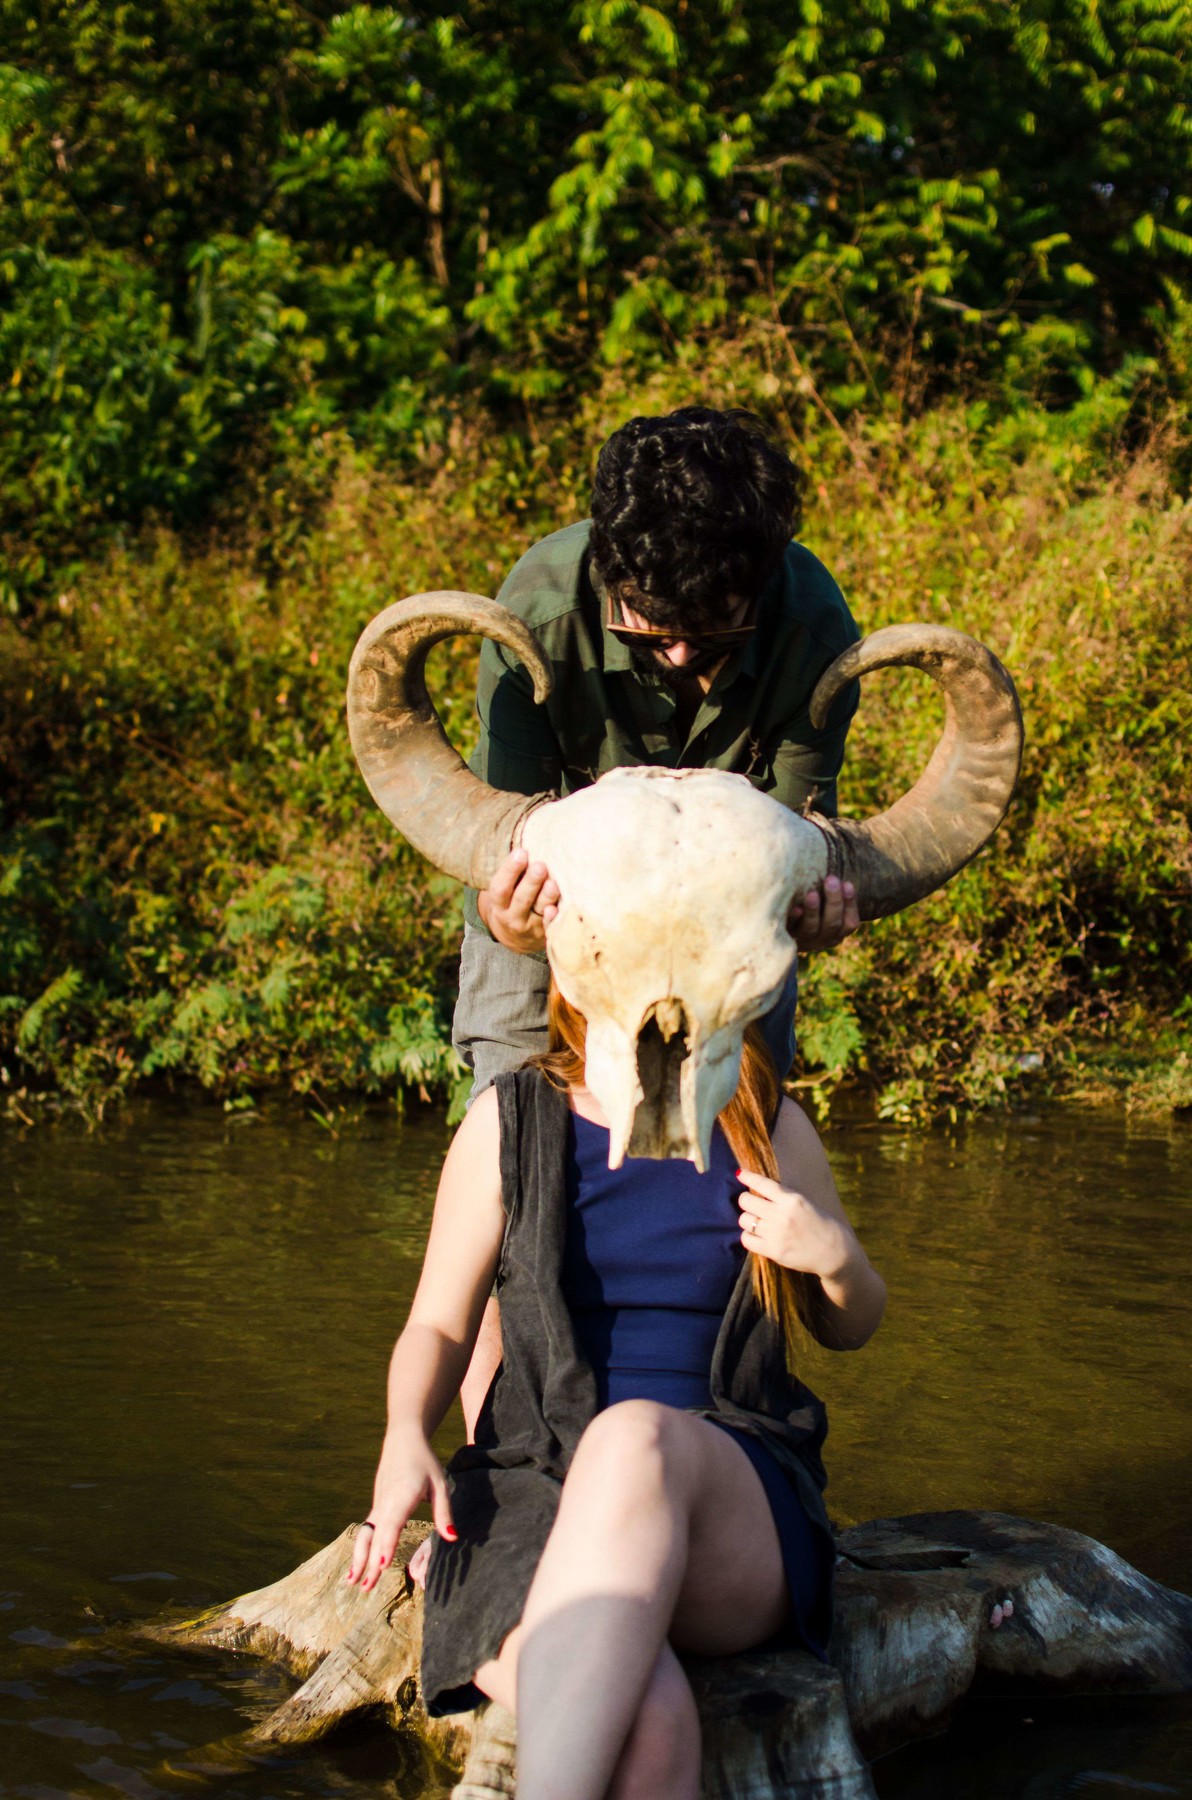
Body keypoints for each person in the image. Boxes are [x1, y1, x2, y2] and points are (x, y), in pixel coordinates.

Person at [346, 983, 887, 1800]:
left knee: (632, 1437)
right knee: (654, 1722)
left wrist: (834, 1257)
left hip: (725, 1496)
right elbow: (439, 1324)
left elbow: (854, 1326)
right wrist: (404, 1434)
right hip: (533, 1487)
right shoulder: (511, 1117)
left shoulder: (764, 1118)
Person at [452, 406, 864, 1430]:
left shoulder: (809, 620)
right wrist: (512, 930)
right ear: (605, 570)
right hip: (560, 901)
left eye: (714, 632)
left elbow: (797, 824)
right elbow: (507, 833)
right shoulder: (539, 606)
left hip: (721, 917)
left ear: (762, 585)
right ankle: (498, 1472)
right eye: (650, 624)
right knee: (517, 1168)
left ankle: (731, 1423)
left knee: (741, 1138)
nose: (681, 656)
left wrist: (811, 915)